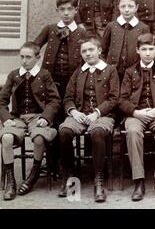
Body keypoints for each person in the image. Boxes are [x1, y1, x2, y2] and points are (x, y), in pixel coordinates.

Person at [58, 36, 119, 203]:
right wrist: (73, 112)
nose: (87, 53)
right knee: (64, 132)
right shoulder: (78, 72)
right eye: (84, 51)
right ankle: (69, 177)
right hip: (80, 114)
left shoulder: (110, 70)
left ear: (99, 51)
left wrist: (98, 112)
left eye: (91, 50)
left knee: (97, 132)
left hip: (103, 115)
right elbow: (68, 97)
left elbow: (114, 98)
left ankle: (98, 180)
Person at [119, 33, 155, 201]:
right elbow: (122, 99)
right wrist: (135, 112)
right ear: (137, 50)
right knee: (132, 132)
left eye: (151, 49)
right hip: (136, 114)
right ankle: (139, 181)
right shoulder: (130, 72)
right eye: (144, 49)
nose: (148, 53)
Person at [0, 42, 60, 200]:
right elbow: (1, 101)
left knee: (39, 138)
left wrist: (46, 118)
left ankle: (34, 174)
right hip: (17, 118)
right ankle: (11, 181)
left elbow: (55, 100)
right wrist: (6, 119)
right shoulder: (14, 75)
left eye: (28, 57)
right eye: (22, 57)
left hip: (38, 117)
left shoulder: (44, 75)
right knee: (6, 138)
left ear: (38, 58)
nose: (24, 61)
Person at [101, 0, 150, 80]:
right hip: (113, 74)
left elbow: (147, 51)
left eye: (130, 6)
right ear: (118, 7)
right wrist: (106, 68)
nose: (126, 10)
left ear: (136, 7)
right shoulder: (111, 26)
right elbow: (102, 51)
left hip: (135, 75)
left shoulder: (143, 28)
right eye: (123, 6)